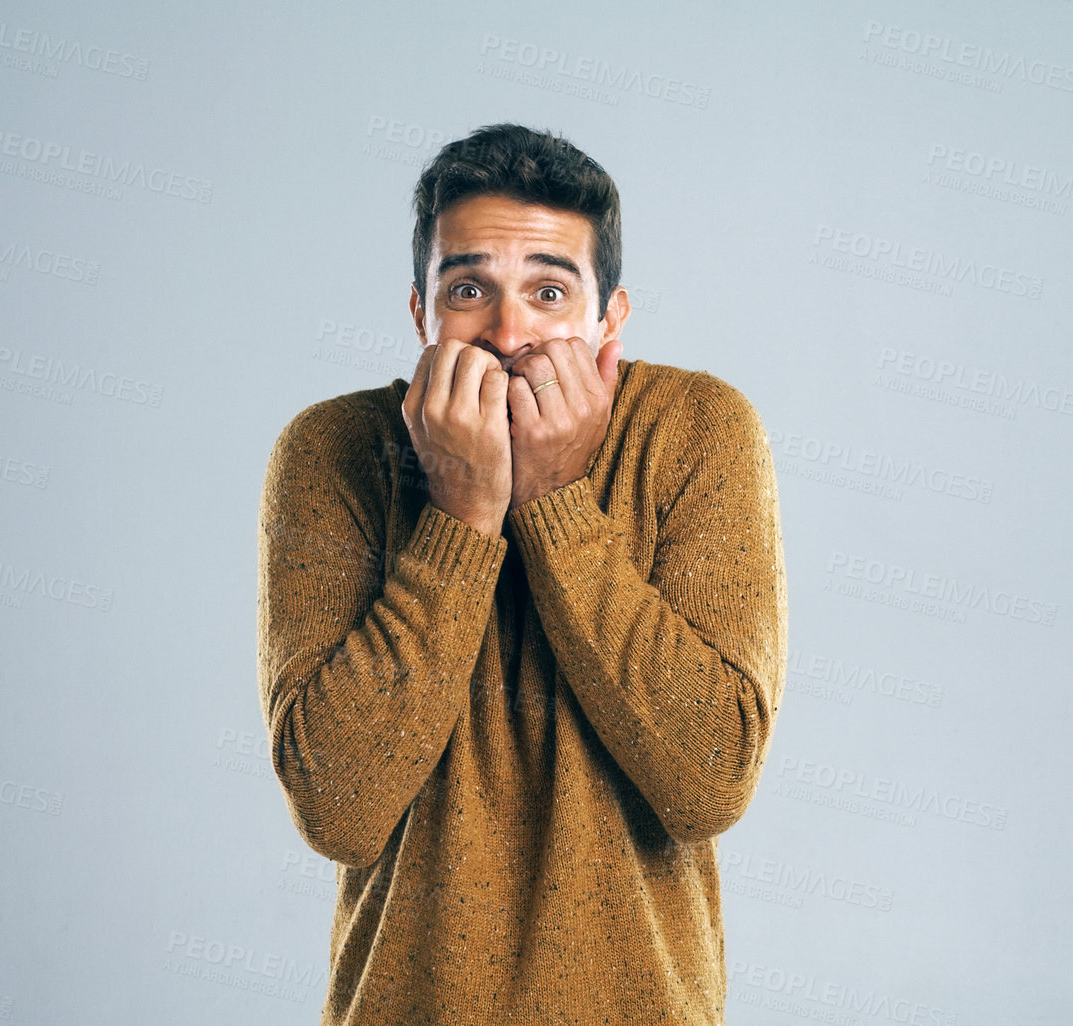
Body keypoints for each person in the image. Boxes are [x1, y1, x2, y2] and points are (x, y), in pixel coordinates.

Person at [256, 121, 787, 1025]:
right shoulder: (335, 448)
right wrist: (463, 516)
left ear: (607, 316)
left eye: (548, 290)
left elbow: (707, 782)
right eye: (469, 289)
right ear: (422, 312)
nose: (508, 332)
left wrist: (554, 501)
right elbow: (338, 809)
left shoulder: (698, 429)